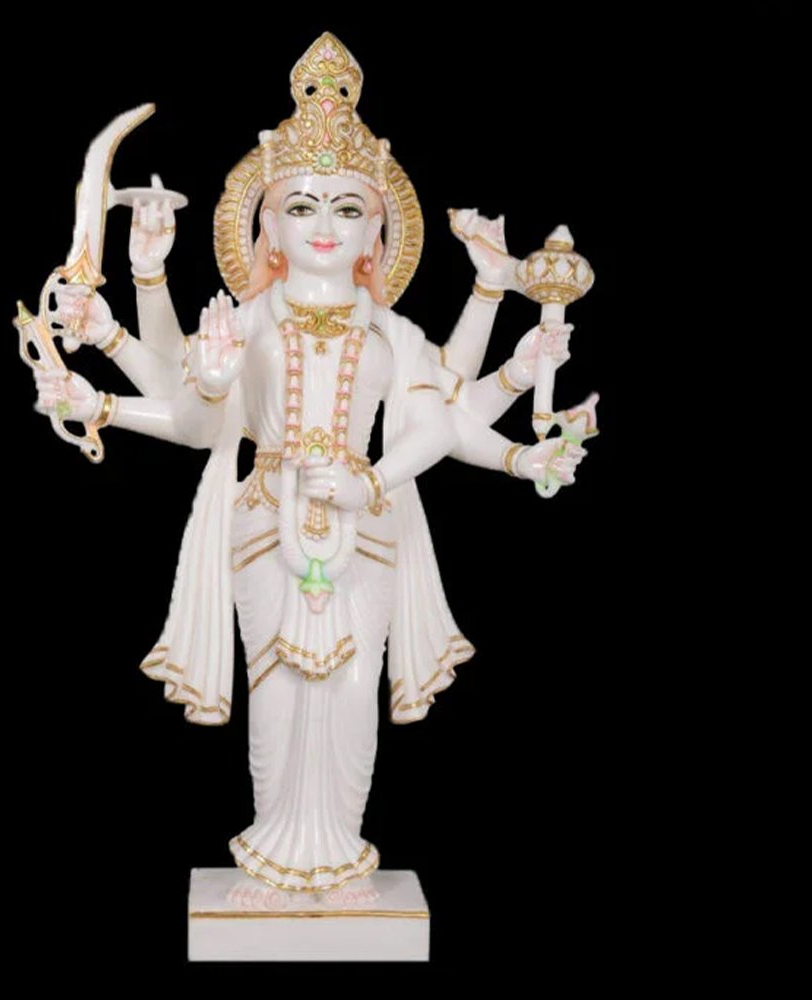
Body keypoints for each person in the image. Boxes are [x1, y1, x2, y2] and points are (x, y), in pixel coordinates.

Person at [32, 32, 586, 893]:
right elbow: (193, 416)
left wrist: (505, 457)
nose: (324, 226)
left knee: (354, 694)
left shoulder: (394, 333)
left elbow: (442, 423)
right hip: (265, 522)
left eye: (345, 208)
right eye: (302, 206)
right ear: (268, 224)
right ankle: (278, 855)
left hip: (368, 528)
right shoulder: (248, 319)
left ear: (376, 227)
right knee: (281, 691)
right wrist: (154, 326)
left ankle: (337, 859)